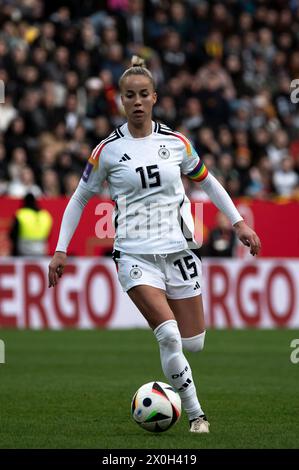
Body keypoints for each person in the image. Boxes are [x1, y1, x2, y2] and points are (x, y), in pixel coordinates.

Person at [48, 56, 261, 433]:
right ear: (121, 102)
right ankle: (197, 415)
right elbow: (79, 198)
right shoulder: (107, 151)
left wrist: (238, 221)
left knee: (193, 343)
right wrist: (61, 249)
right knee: (168, 334)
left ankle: (183, 391)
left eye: (144, 94)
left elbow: (208, 182)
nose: (137, 102)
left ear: (155, 98)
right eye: (129, 95)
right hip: (134, 255)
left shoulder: (176, 143)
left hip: (178, 252)